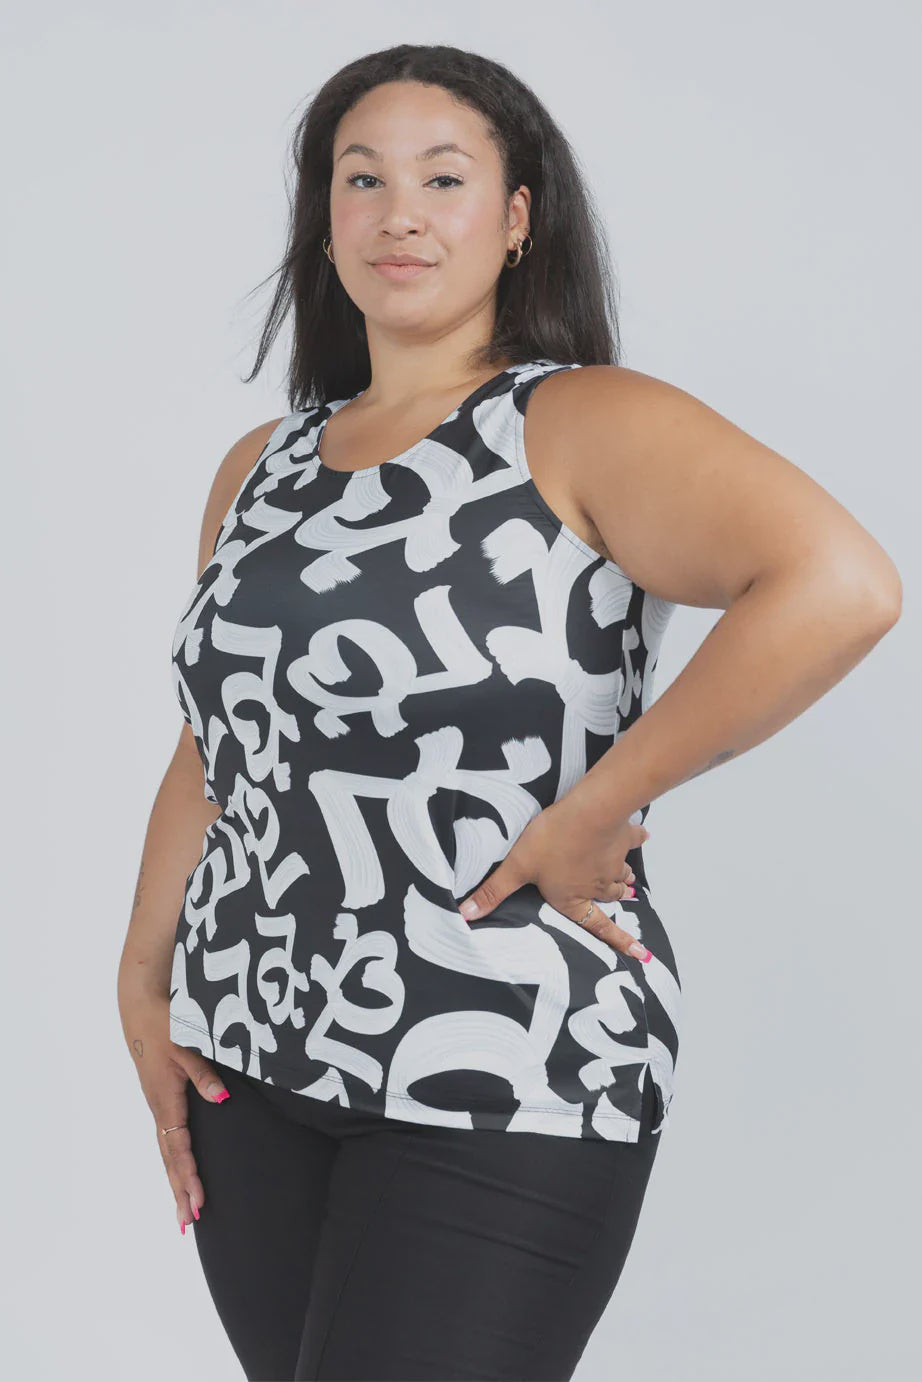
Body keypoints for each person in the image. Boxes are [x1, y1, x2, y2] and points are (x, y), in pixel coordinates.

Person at [116, 43, 902, 1382]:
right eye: (361, 179)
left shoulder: (581, 422)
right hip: (251, 1059)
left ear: (518, 216)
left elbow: (840, 585)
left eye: (443, 178)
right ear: (324, 218)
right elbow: (223, 736)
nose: (399, 214)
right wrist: (143, 973)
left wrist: (601, 805)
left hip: (504, 1058)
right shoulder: (261, 466)